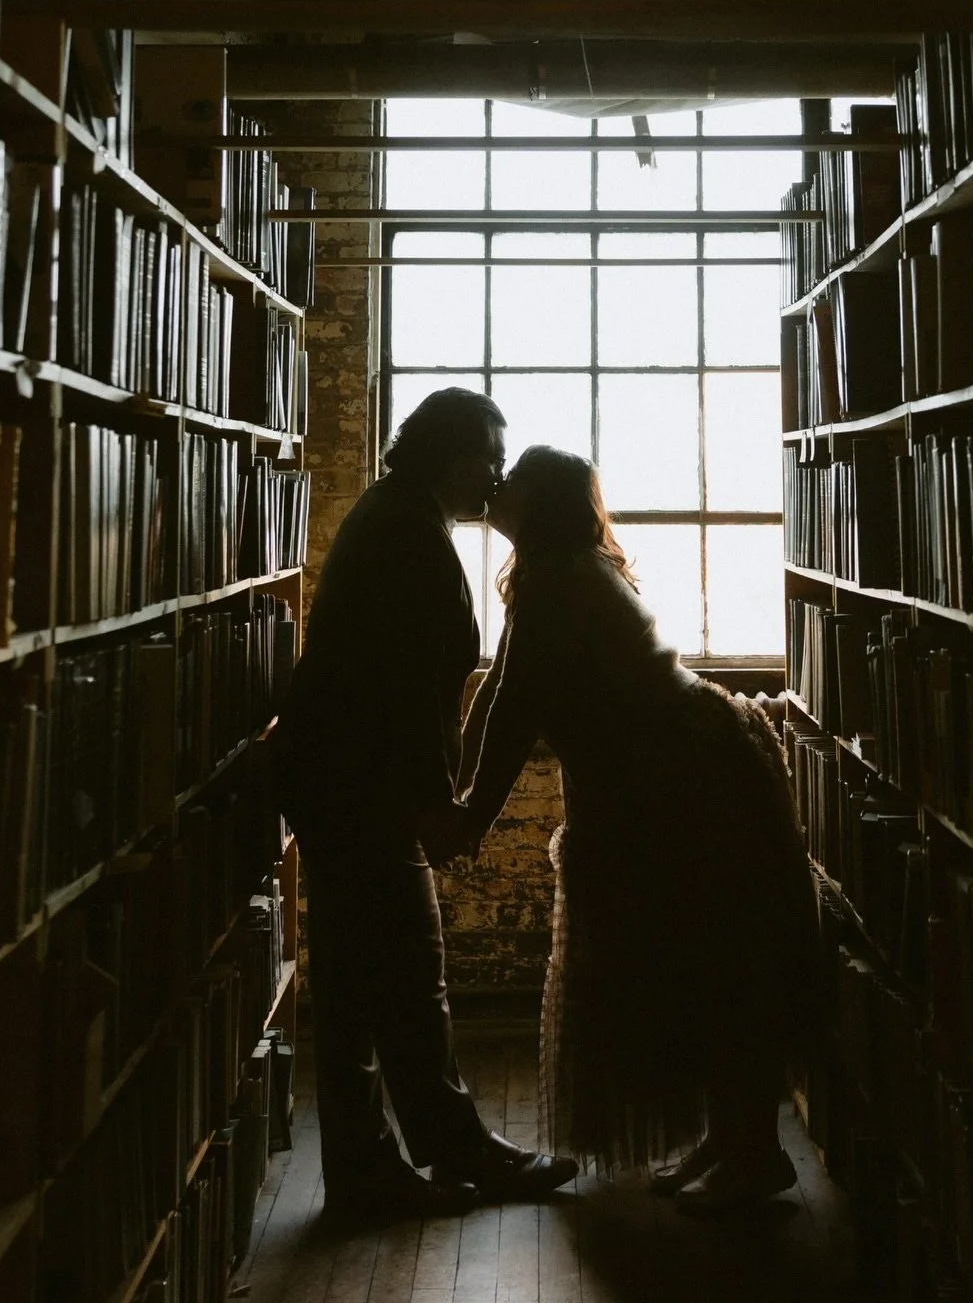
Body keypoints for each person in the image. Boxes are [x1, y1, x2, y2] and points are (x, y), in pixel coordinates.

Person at [456, 445, 823, 1210]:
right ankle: (732, 1142)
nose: (497, 486)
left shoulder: (561, 581)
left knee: (712, 964)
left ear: (542, 504)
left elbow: (516, 711)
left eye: (513, 480)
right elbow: (498, 691)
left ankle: (753, 1154)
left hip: (686, 785)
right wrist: (460, 789)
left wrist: (468, 818)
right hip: (670, 778)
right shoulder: (558, 573)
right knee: (698, 963)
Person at [272, 389, 579, 1218]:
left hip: (344, 786)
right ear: (449, 451)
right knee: (410, 972)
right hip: (367, 791)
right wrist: (436, 806)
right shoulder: (406, 535)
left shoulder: (399, 518)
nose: (498, 474)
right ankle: (452, 1152)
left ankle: (374, 1168)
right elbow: (402, 693)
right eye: (488, 454)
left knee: (355, 985)